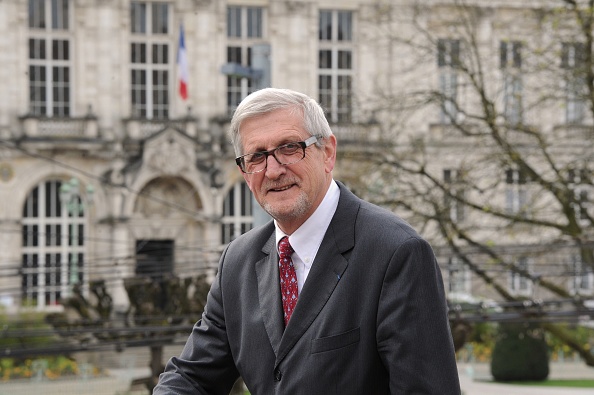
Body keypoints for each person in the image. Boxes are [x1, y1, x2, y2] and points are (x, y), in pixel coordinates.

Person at [153, 88, 461, 394]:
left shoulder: (396, 253)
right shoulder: (237, 261)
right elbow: (191, 376)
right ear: (245, 174)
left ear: (327, 153)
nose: (273, 170)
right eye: (257, 156)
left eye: (289, 148)